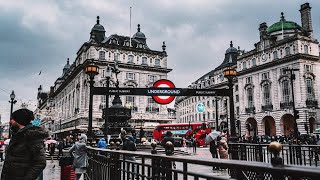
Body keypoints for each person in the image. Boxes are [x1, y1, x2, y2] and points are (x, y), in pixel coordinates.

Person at [1, 108, 49, 180]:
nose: (11, 121)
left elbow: (40, 162)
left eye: (12, 119)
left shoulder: (32, 136)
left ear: (19, 120)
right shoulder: (17, 135)